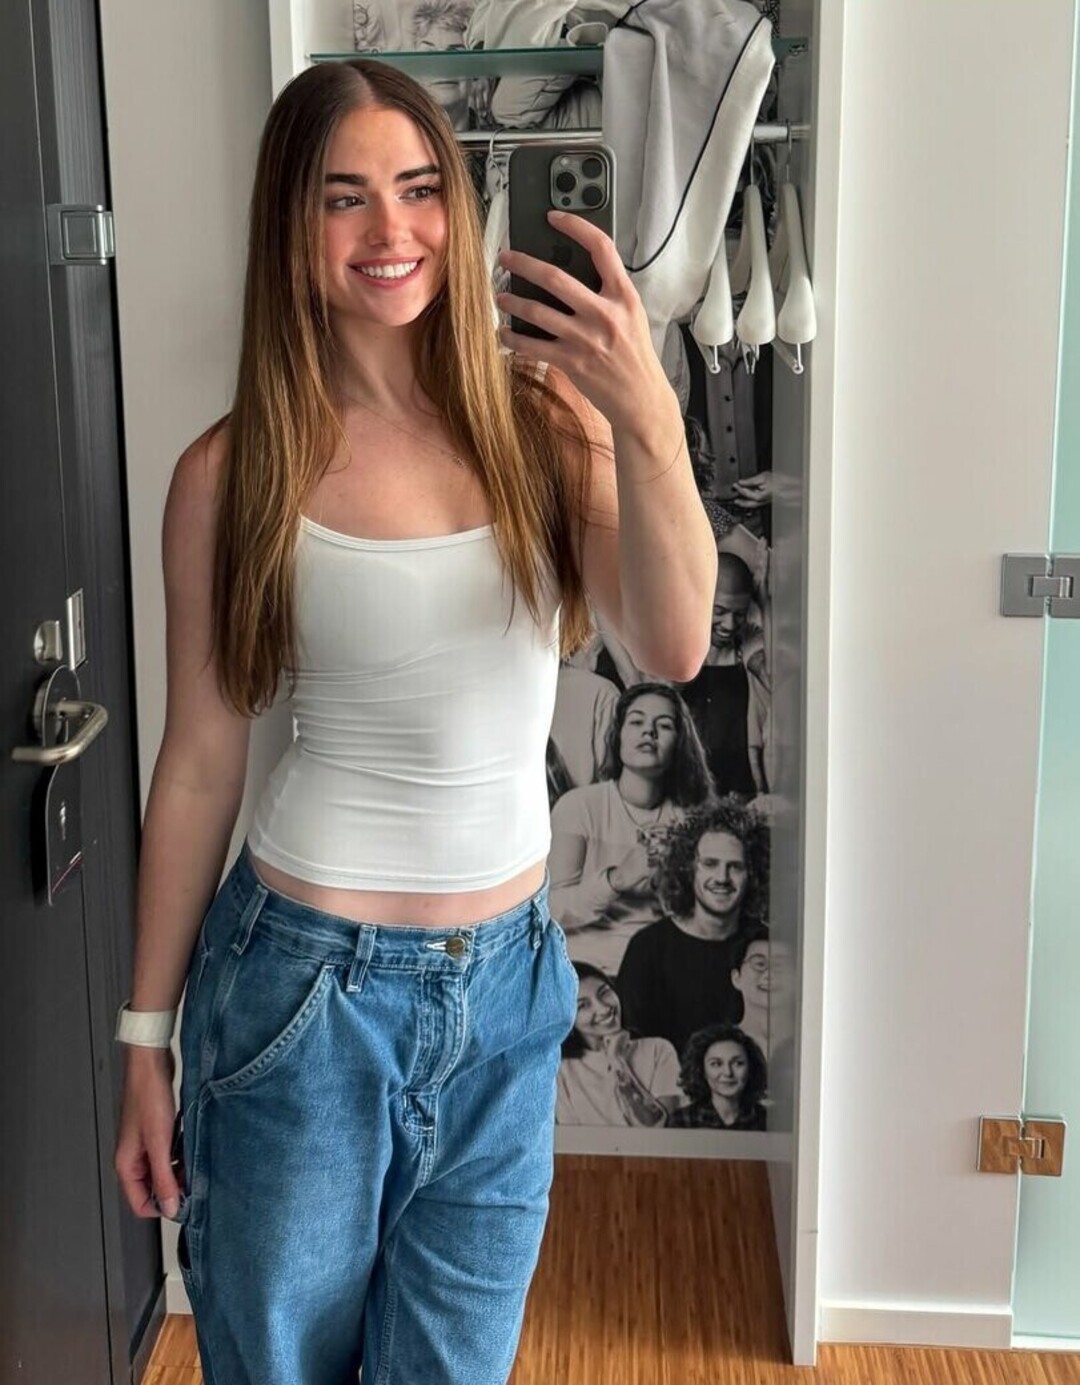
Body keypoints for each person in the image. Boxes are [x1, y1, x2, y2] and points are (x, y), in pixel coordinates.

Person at [111, 58, 717, 1385]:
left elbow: (673, 642)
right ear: (291, 226)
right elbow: (200, 766)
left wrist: (646, 413)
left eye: (418, 186)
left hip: (507, 992)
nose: (391, 230)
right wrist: (144, 1039)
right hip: (300, 1001)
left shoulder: (544, 427)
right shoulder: (229, 474)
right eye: (344, 197)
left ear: (460, 202)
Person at [548, 682, 713, 977]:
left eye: (664, 725)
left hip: (664, 968)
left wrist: (673, 884)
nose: (649, 731)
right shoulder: (578, 807)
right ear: (618, 735)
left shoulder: (692, 820)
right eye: (636, 721)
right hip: (587, 971)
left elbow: (702, 917)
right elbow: (551, 909)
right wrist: (616, 880)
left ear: (680, 742)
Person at [617, 798, 769, 1054]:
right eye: (710, 864)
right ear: (689, 868)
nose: (722, 878)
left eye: (735, 867)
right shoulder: (648, 948)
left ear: (753, 875)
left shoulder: (767, 945)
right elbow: (632, 1051)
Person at [678, 551, 770, 797]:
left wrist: (764, 603)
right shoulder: (675, 646)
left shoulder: (747, 642)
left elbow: (771, 680)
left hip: (738, 793)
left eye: (739, 614)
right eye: (719, 611)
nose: (729, 625)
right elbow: (665, 690)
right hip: (683, 790)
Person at [556, 963, 682, 1127]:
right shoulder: (561, 1071)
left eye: (604, 993)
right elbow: (574, 1138)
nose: (604, 1009)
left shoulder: (658, 1050)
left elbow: (661, 1128)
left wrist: (617, 1061)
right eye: (583, 1005)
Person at [667, 1024, 768, 1130]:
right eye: (716, 1064)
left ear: (751, 1067)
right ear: (701, 1070)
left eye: (738, 1063)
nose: (728, 1073)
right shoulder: (681, 1120)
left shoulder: (767, 1120)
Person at [729, 928, 797, 1061]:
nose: (769, 975)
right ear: (736, 978)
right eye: (759, 964)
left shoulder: (814, 1039)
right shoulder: (713, 1045)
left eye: (780, 965)